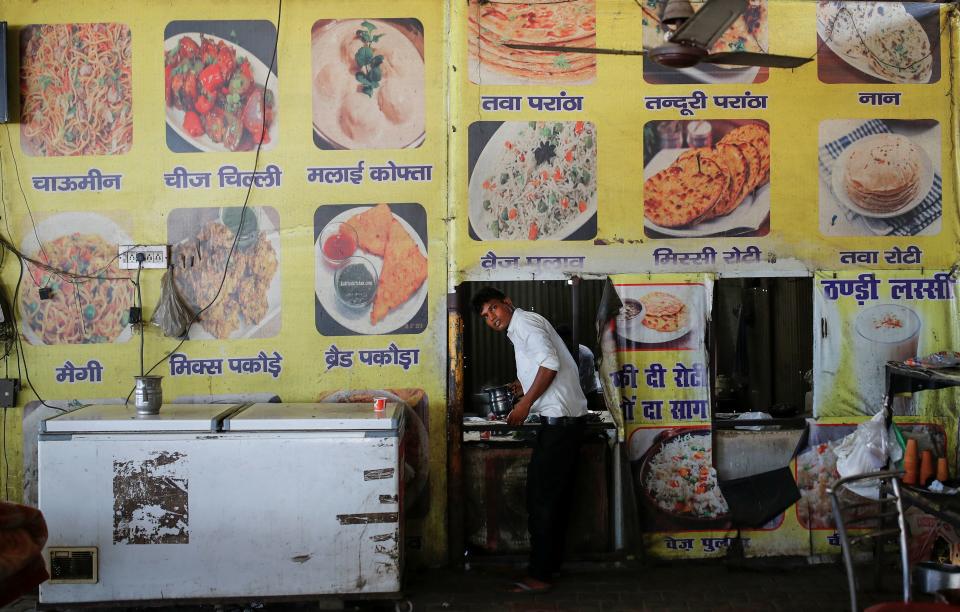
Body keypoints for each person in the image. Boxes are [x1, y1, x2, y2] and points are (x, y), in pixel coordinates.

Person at [472, 287, 587, 594]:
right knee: (553, 499)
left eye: (493, 308)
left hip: (560, 425)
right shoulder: (521, 327)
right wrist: (520, 387)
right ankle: (549, 566)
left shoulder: (525, 324)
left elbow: (550, 365)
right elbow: (543, 366)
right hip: (565, 424)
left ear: (507, 303)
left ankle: (540, 575)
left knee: (541, 499)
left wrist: (523, 405)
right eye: (485, 316)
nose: (491, 318)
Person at [555, 323, 604, 411]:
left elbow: (583, 382)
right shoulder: (559, 353)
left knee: (589, 420)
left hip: (587, 395)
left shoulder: (585, 354)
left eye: (563, 341)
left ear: (570, 339)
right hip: (569, 394)